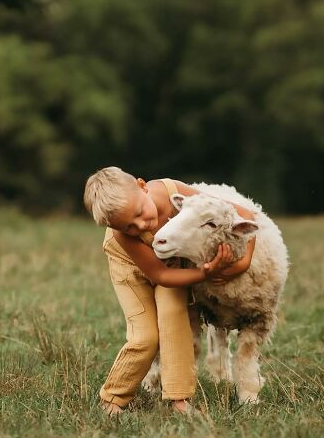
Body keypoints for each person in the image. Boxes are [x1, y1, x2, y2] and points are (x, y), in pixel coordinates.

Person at [83, 166, 256, 415]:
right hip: (133, 272)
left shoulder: (173, 191)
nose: (141, 225)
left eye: (140, 212)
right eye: (129, 226)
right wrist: (206, 272)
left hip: (172, 264)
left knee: (175, 320)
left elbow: (243, 213)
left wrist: (243, 261)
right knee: (145, 337)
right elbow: (160, 276)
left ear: (143, 186)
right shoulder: (123, 236)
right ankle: (113, 397)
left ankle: (179, 400)